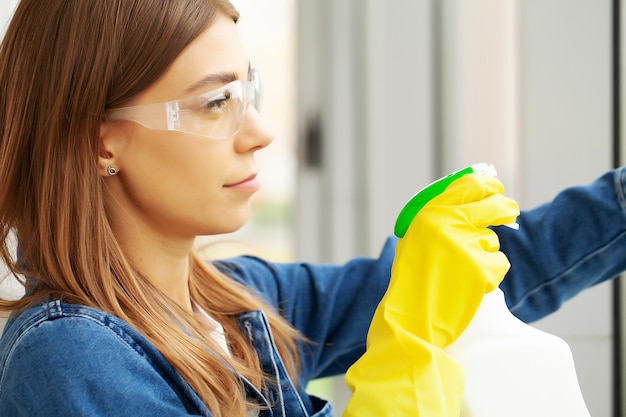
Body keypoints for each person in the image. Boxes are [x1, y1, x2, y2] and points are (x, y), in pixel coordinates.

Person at [0, 1, 625, 416]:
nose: (259, 132)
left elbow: (488, 274)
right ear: (97, 138)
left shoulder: (239, 302)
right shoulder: (72, 359)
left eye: (251, 92)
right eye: (216, 102)